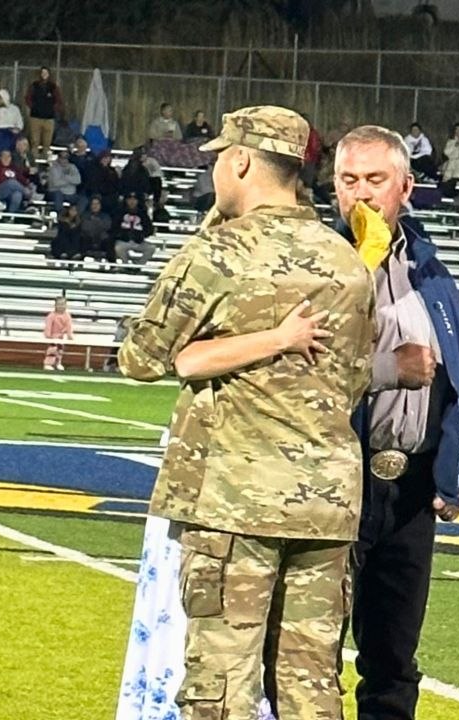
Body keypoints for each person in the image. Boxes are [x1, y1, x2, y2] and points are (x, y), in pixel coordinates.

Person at [116, 105, 375, 720]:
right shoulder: (346, 260)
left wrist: (206, 352)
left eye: (220, 164)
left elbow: (141, 356)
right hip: (328, 502)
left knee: (223, 685)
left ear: (240, 160)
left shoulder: (220, 252)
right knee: (311, 685)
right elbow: (356, 379)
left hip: (237, 498)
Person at [331, 124, 459, 720]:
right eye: (348, 180)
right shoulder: (318, 263)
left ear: (405, 186)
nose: (361, 194)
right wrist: (388, 368)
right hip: (336, 480)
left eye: (375, 179)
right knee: (310, 653)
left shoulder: (431, 269)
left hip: (412, 488)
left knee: (394, 662)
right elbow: (300, 372)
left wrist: (456, 467)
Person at [23, 67, 61, 159]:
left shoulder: (53, 87)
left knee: (47, 142)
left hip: (49, 118)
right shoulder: (34, 85)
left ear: (49, 74)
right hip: (35, 117)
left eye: (46, 72)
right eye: (42, 72)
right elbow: (28, 98)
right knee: (35, 141)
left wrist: (52, 109)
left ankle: (45, 160)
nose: (44, 74)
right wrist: (34, 107)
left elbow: (58, 100)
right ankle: (34, 159)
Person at [113, 193, 155, 267]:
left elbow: (149, 229)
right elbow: (114, 227)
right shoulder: (119, 213)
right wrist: (121, 235)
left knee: (151, 248)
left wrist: (141, 235)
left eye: (134, 199)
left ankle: (138, 266)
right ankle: (125, 265)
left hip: (139, 242)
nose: (132, 201)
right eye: (129, 199)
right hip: (124, 241)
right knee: (118, 247)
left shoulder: (143, 214)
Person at [45, 149, 83, 214]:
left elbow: (78, 180)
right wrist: (70, 181)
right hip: (55, 192)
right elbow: (55, 183)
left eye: (66, 158)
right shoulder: (53, 168)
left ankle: (76, 215)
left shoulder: (72, 167)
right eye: (62, 157)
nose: (64, 160)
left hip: (70, 194)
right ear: (58, 158)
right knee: (58, 194)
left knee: (84, 199)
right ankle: (59, 215)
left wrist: (66, 178)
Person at [43, 297, 75, 371]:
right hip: (52, 336)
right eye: (59, 304)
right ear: (55, 305)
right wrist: (48, 336)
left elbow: (69, 326)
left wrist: (69, 335)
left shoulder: (67, 315)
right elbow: (48, 326)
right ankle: (48, 364)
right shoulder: (51, 315)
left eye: (63, 304)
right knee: (52, 350)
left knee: (60, 350)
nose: (61, 306)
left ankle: (58, 363)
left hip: (61, 336)